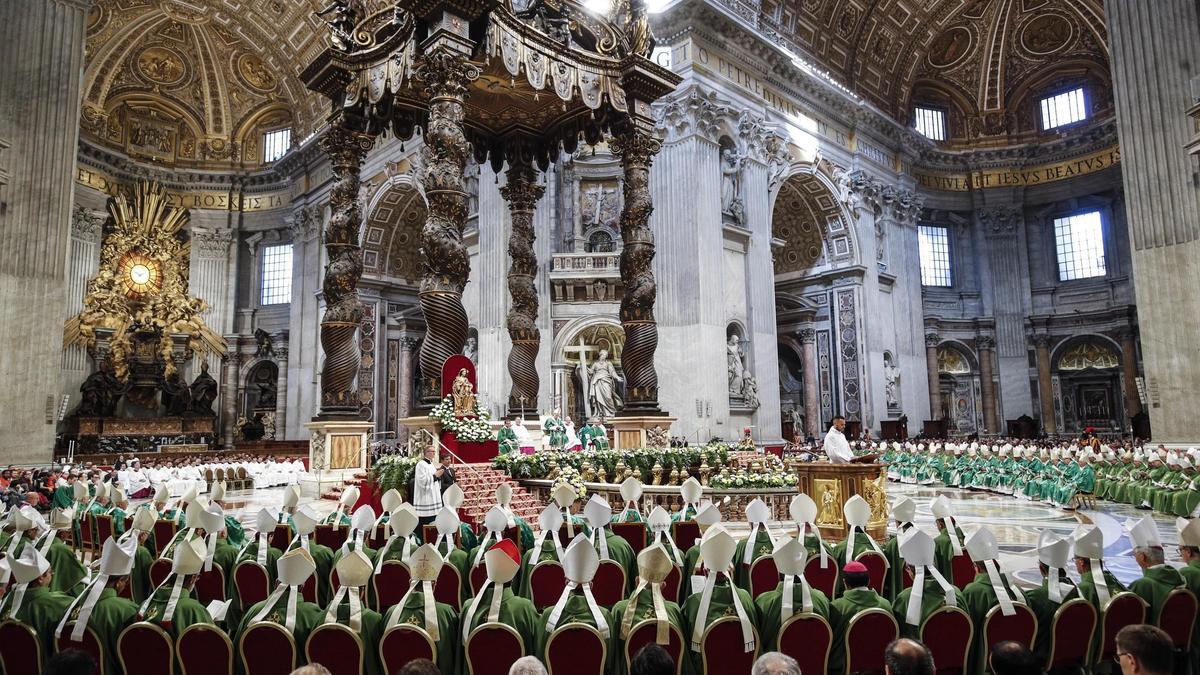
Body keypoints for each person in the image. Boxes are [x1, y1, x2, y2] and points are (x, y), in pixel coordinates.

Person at [381, 544, 459, 672]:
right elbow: (452, 657)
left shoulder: (391, 612)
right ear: (434, 584)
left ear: (410, 582)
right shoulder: (446, 613)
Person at [754, 536, 831, 652]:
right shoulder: (821, 598)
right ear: (804, 572)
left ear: (778, 574)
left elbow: (759, 642)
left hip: (777, 667)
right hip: (815, 665)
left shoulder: (764, 602)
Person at [3, 546, 75, 663]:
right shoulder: (58, 604)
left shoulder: (7, 600)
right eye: (50, 572)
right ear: (40, 578)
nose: (52, 574)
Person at [829, 560, 893, 675]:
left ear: (844, 583)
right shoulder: (886, 604)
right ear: (868, 581)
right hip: (880, 667)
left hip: (846, 667)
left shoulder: (837, 607)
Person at [1127, 515, 1185, 624]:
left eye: (1135, 554)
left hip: (1151, 639)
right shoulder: (1181, 577)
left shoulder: (1142, 585)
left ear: (1142, 557)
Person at [413, 445, 446, 525]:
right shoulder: (421, 464)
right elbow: (421, 480)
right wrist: (435, 476)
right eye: (432, 451)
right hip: (425, 498)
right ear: (426, 452)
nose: (434, 453)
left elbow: (434, 477)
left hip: (432, 495)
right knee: (425, 521)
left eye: (434, 451)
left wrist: (437, 477)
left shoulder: (431, 464)